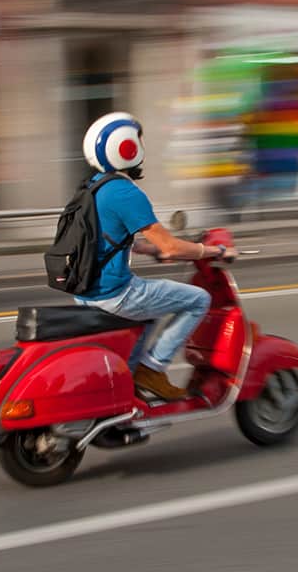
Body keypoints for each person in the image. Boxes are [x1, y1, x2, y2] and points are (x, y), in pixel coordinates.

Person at [75, 112, 235, 401]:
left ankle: (132, 376)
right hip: (114, 295)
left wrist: (151, 249)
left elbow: (113, 240)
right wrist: (213, 250)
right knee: (199, 299)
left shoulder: (92, 188)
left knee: (149, 313)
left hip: (85, 292)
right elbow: (171, 246)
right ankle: (154, 369)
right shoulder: (124, 192)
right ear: (127, 149)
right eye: (137, 141)